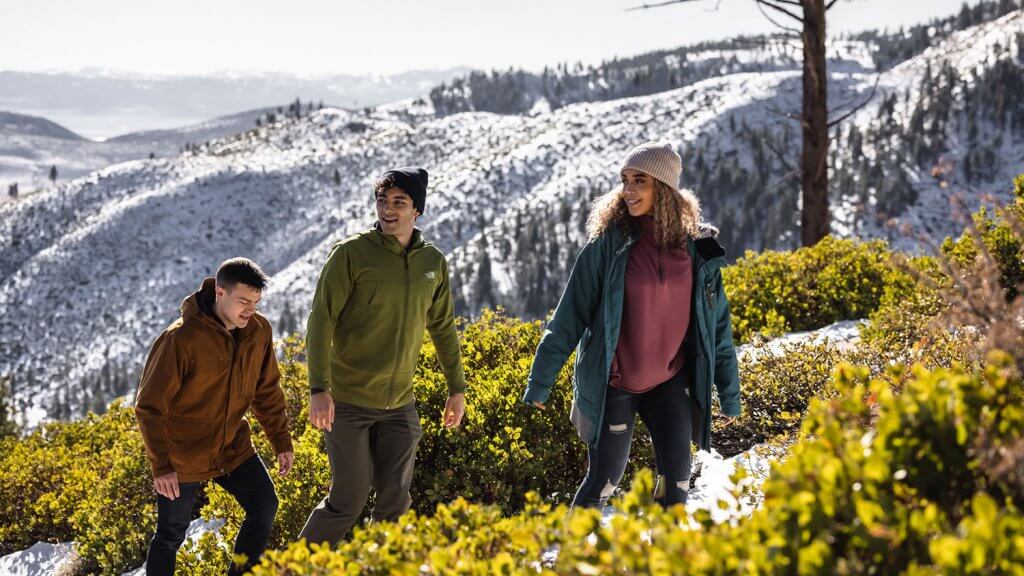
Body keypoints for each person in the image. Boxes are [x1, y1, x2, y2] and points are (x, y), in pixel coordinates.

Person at [523, 142, 741, 508]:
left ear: (665, 188)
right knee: (603, 484)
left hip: (670, 382)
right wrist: (541, 381)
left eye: (640, 180)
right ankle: (571, 560)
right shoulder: (609, 245)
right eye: (625, 180)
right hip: (616, 385)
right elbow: (569, 316)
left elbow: (718, 329)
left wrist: (730, 396)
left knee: (678, 485)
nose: (629, 190)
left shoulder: (697, 250)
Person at [299, 166, 467, 544]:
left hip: (399, 406)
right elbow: (321, 322)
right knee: (348, 500)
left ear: (416, 211)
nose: (387, 209)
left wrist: (457, 388)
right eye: (382, 200)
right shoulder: (351, 254)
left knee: (395, 502)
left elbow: (442, 328)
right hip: (348, 403)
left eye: (398, 202)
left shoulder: (432, 263)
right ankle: (292, 570)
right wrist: (318, 389)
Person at [135, 258, 294, 575]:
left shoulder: (258, 331)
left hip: (231, 446)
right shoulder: (180, 339)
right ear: (220, 293)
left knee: (264, 505)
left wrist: (281, 440)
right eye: (243, 301)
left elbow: (266, 390)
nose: (250, 310)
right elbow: (149, 406)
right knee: (169, 535)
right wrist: (162, 466)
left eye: (256, 302)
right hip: (183, 455)